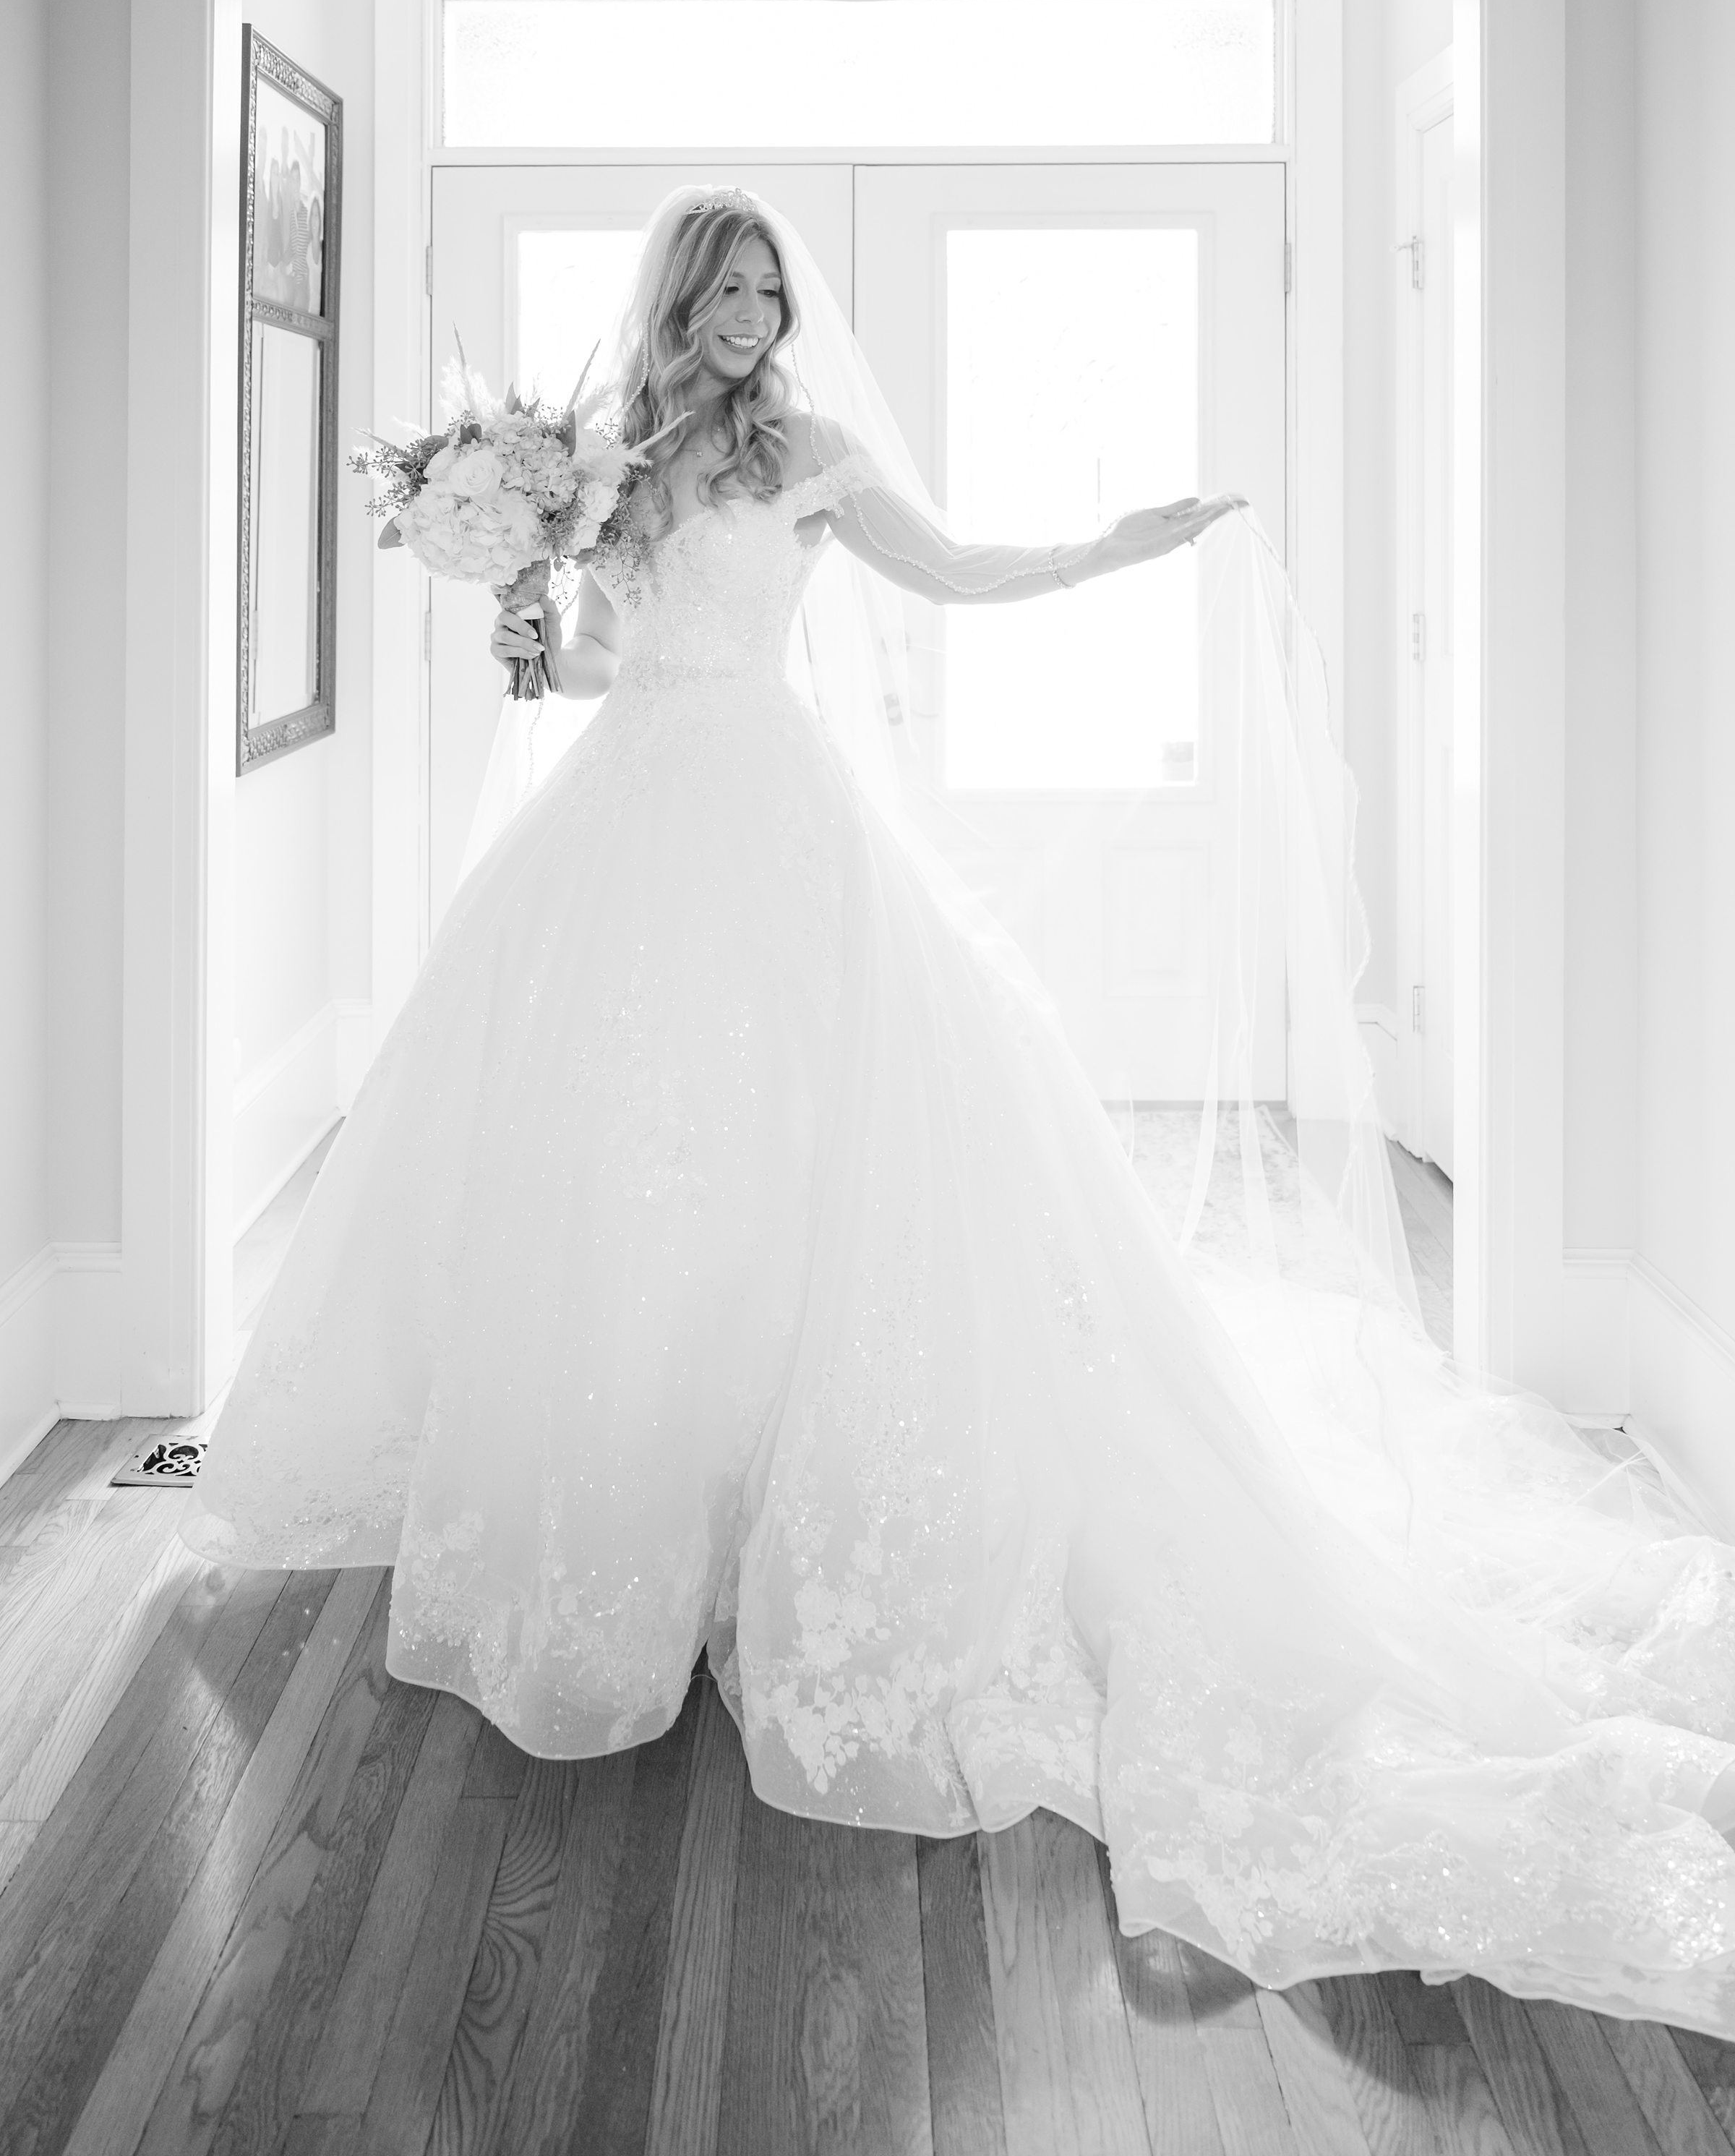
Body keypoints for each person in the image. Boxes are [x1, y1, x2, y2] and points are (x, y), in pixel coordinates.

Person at [187, 187, 1735, 2037]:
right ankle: (638, 1514)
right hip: (620, 822)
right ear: (679, 298)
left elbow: (968, 575)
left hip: (775, 820)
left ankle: (779, 1516)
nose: (757, 309)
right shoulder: (602, 465)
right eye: (729, 283)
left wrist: (1127, 542)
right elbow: (610, 659)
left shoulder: (817, 454)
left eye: (773, 285)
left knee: (803, 1172)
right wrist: (529, 622)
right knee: (616, 1181)